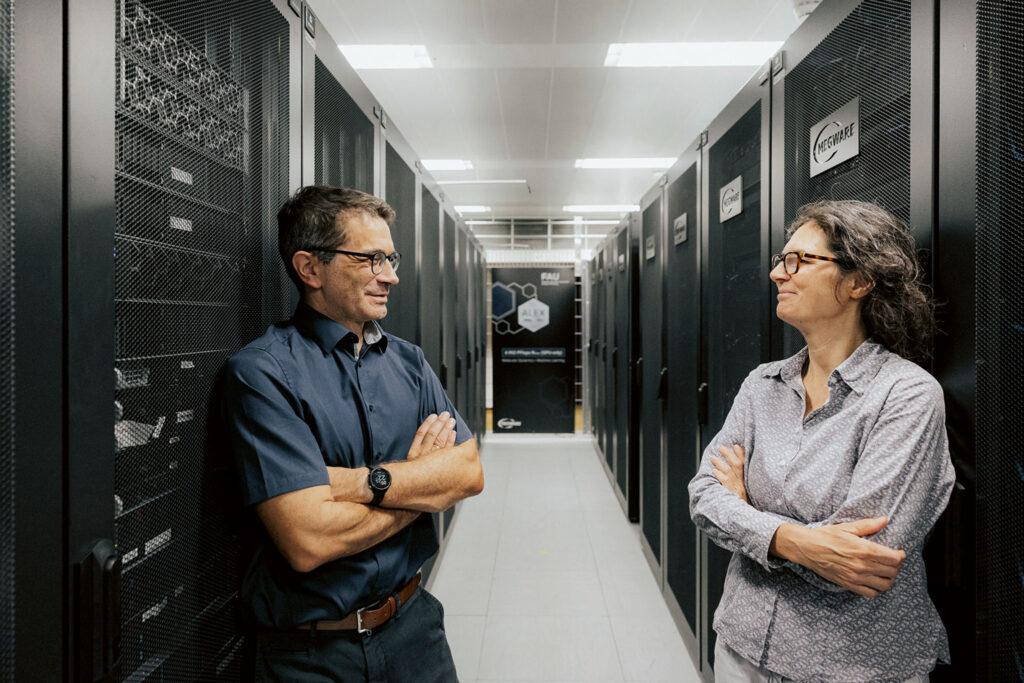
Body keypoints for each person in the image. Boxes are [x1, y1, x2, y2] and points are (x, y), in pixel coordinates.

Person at [223, 185, 484, 682]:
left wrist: (363, 483)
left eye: (390, 257)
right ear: (310, 268)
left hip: (415, 628)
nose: (391, 275)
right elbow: (309, 540)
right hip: (314, 655)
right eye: (370, 260)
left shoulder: (409, 362)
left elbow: (468, 474)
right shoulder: (264, 373)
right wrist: (420, 486)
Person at [688, 200, 954, 682]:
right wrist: (794, 538)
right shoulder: (762, 384)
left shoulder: (906, 396)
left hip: (850, 666)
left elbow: (862, 564)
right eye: (779, 260)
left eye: (798, 261)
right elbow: (703, 497)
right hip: (740, 644)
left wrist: (746, 513)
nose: (776, 275)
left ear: (858, 281)